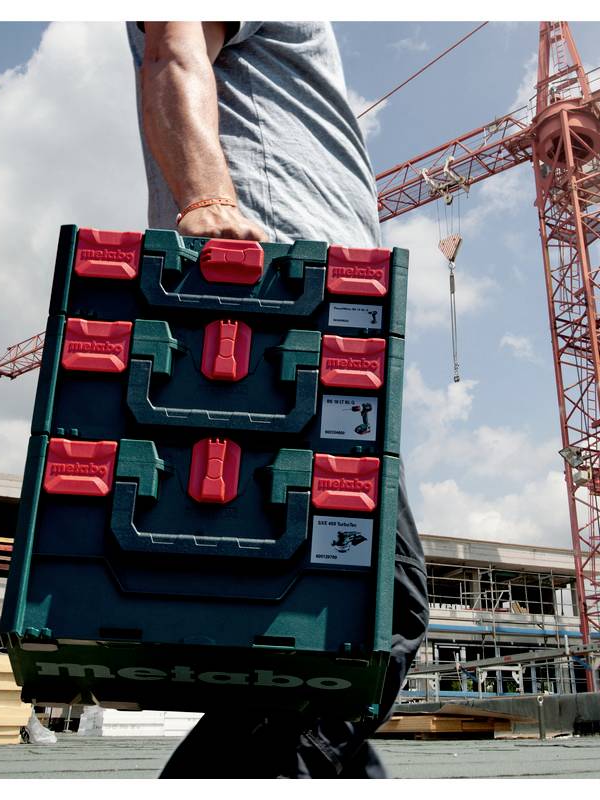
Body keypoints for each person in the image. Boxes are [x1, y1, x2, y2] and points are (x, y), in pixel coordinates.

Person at [125, 21, 430, 778]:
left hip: (321, 317)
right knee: (373, 610)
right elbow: (173, 41)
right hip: (276, 307)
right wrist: (205, 197)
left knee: (334, 629)